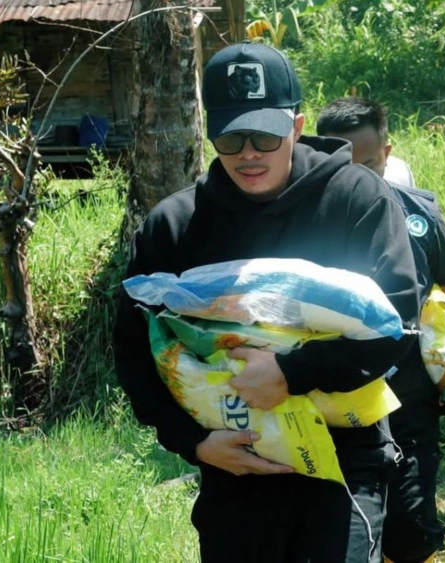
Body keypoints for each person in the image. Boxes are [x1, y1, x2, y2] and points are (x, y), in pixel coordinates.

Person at [113, 42, 420, 563]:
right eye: (231, 137)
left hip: (344, 463)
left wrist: (291, 373)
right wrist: (192, 442)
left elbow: (398, 325)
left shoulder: (356, 199)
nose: (249, 152)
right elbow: (133, 346)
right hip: (235, 466)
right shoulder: (175, 226)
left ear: (297, 126)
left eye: (265, 134)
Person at [316, 98, 445, 559]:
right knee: (342, 531)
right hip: (327, 399)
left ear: (388, 151)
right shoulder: (302, 218)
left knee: (412, 527)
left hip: (409, 399)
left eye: (370, 163)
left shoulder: (419, 219)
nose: (358, 176)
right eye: (343, 163)